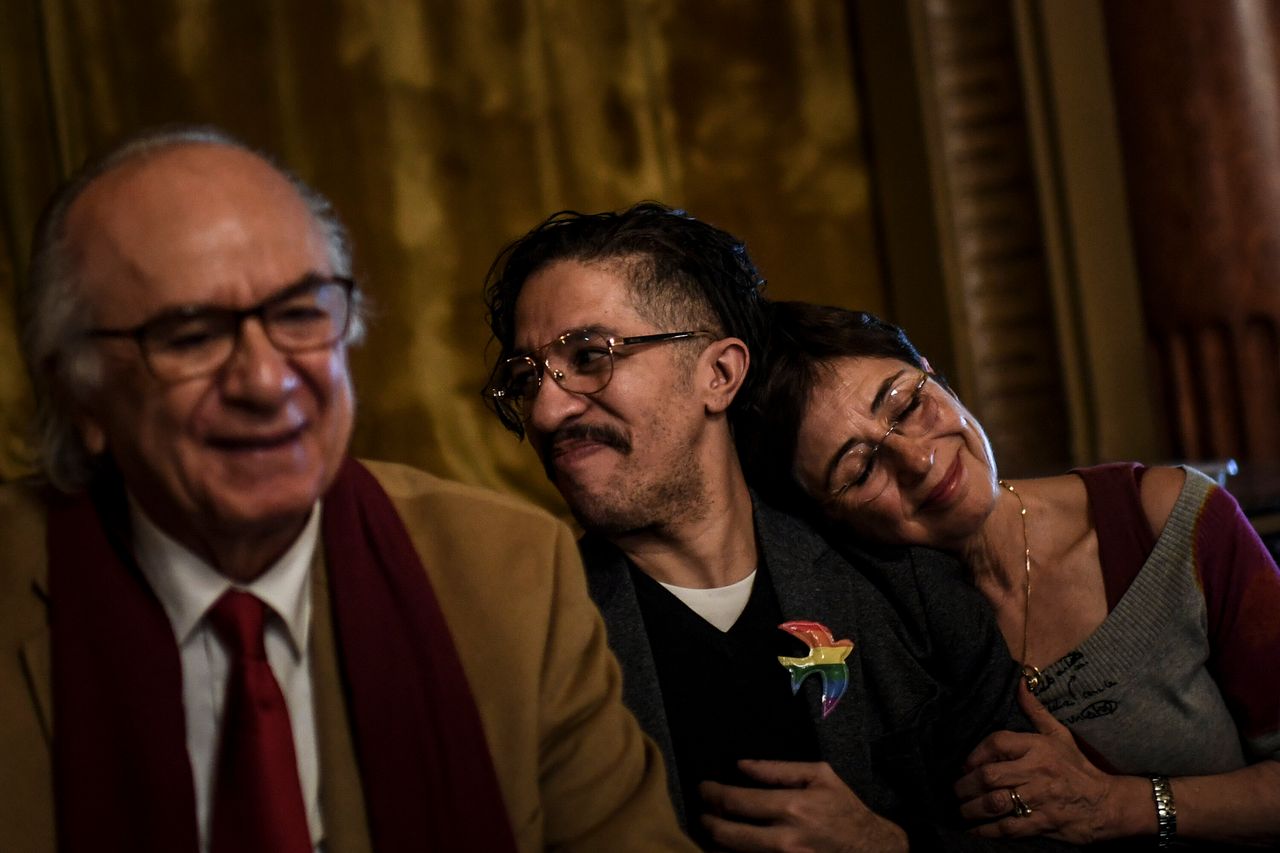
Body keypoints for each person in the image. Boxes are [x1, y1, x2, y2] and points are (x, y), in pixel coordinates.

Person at [0, 126, 695, 853]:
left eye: (300, 314)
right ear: (78, 392)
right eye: (192, 334)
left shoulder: (512, 577)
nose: (266, 382)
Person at [482, 202, 1077, 851]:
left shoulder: (903, 583)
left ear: (719, 372)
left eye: (591, 355)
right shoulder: (529, 641)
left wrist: (890, 846)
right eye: (524, 378)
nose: (545, 410)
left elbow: (1050, 835)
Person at [738, 299, 1280, 848]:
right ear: (830, 518)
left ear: (932, 374)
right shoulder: (878, 640)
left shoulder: (1166, 519)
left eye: (905, 405)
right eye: (860, 468)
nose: (917, 459)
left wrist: (1121, 806)